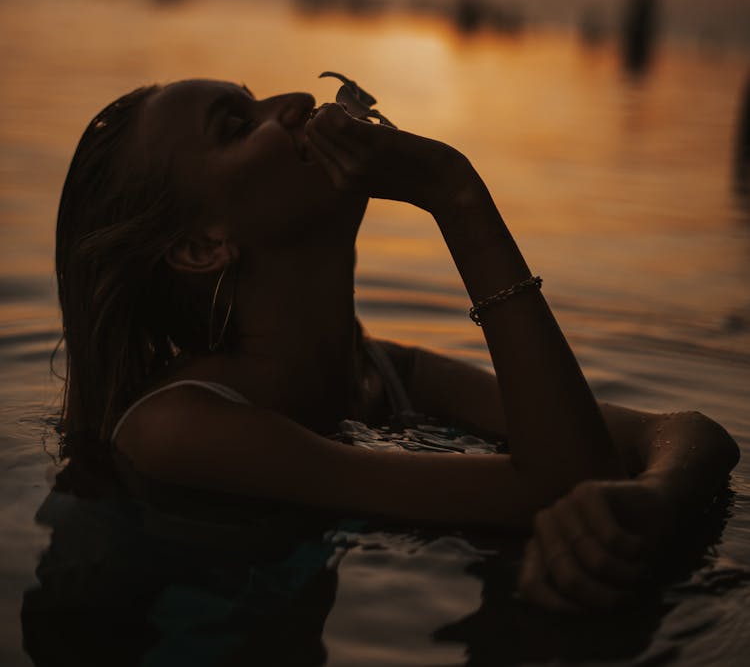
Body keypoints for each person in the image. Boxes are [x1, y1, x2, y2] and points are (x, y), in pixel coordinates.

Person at [55, 78, 739, 613]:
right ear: (202, 247)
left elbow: (690, 433)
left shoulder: (384, 375)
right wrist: (453, 192)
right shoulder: (178, 429)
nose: (295, 101)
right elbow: (561, 480)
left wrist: (657, 500)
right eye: (238, 125)